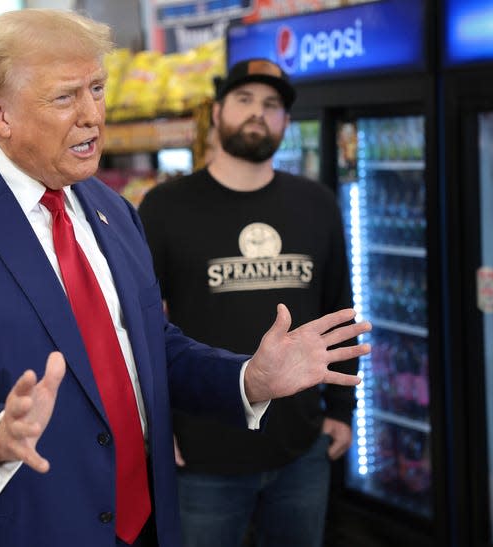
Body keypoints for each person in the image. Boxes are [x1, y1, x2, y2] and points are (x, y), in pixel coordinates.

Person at [0, 10, 370, 547]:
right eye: (64, 97)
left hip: (139, 522)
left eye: (97, 89)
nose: (92, 115)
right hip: (12, 525)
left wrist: (247, 380)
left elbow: (148, 347)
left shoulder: (113, 211)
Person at [138, 58, 357, 547]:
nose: (258, 113)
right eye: (244, 100)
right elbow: (140, 327)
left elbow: (338, 307)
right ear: (216, 113)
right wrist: (155, 427)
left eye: (272, 105)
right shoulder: (165, 207)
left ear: (284, 122)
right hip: (201, 454)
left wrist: (343, 408)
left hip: (300, 447)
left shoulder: (317, 204)